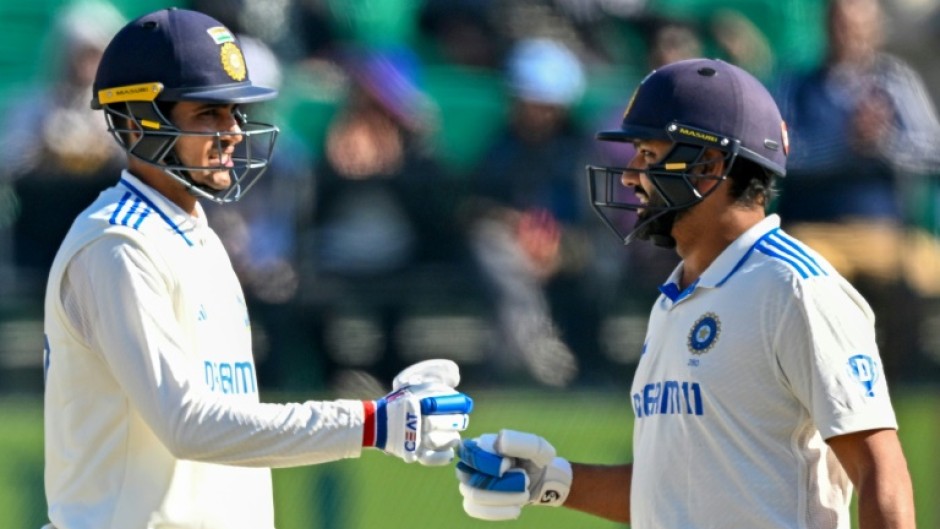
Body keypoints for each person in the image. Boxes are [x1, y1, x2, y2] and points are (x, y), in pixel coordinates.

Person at [41, 9, 473, 529]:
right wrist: (374, 423)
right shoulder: (118, 243)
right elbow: (188, 425)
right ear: (135, 121)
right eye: (208, 114)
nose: (233, 134)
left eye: (235, 113)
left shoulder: (195, 233)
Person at [453, 58, 916, 529]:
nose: (631, 176)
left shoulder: (794, 288)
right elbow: (670, 493)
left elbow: (881, 474)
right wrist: (546, 480)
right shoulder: (674, 299)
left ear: (710, 166)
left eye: (649, 156)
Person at [772, 0, 940, 384]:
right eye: (842, 25)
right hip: (814, 230)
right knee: (809, 285)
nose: (851, 35)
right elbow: (778, 155)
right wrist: (843, 147)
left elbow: (932, 151)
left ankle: (889, 385)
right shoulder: (797, 84)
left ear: (877, 30)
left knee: (917, 279)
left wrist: (885, 144)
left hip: (885, 232)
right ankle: (820, 390)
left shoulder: (896, 82)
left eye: (860, 26)